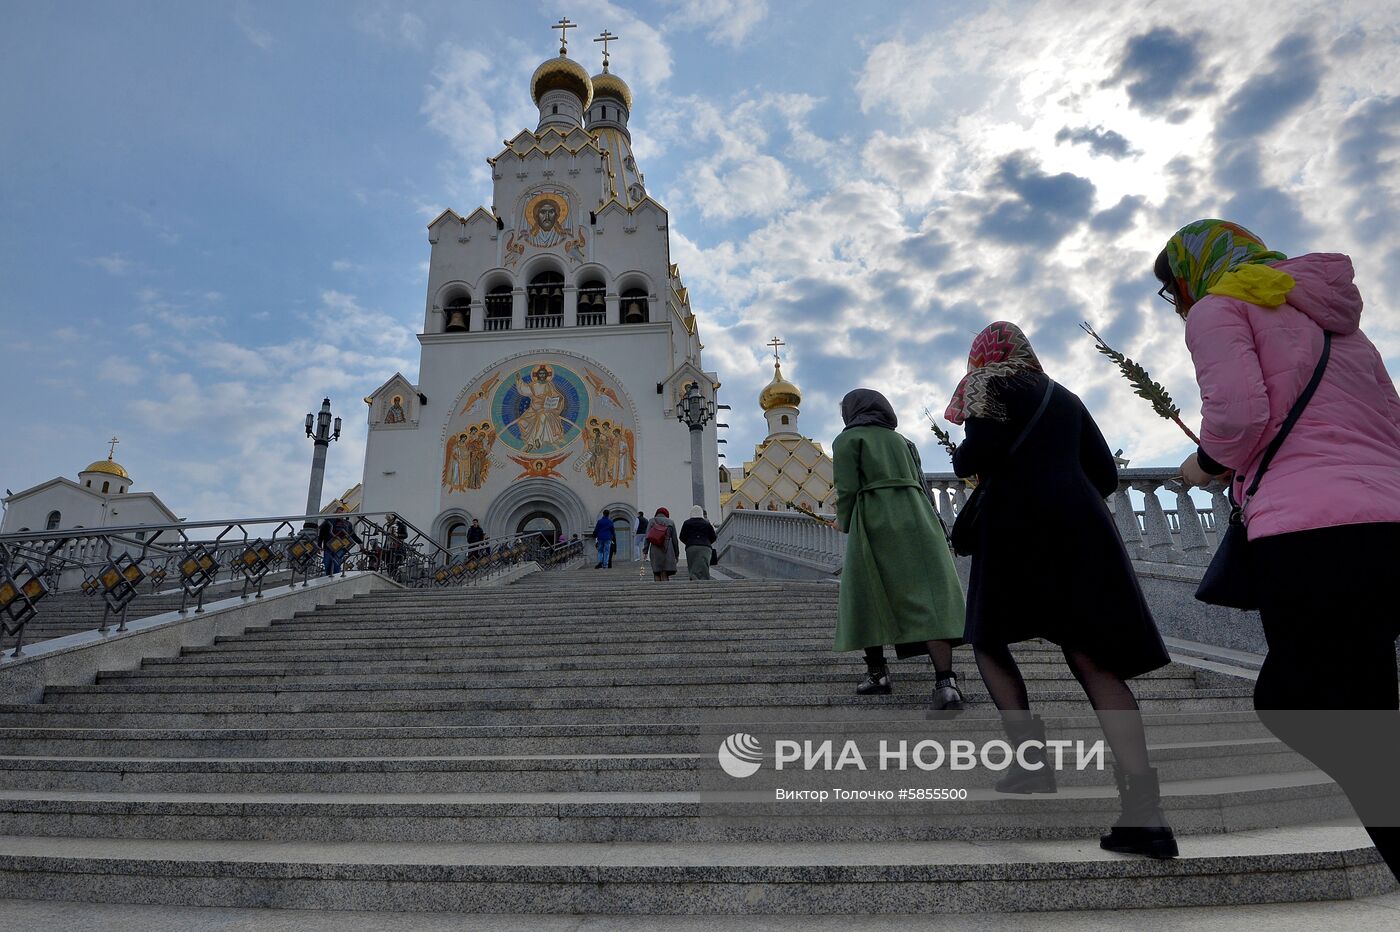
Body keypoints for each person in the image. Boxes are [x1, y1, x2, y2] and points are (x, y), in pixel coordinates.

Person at [1160, 219, 1400, 879]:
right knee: (1372, 722)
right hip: (1388, 525)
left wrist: (1203, 464)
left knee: (1292, 701)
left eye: (1171, 290)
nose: (1177, 303)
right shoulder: (1338, 322)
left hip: (1308, 535)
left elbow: (1238, 417)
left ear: (1192, 271)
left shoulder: (1219, 308)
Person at [945, 321, 1175, 859]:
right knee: (1093, 657)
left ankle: (1030, 766)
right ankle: (1145, 812)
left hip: (1014, 529)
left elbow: (975, 456)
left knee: (987, 639)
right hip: (1080, 527)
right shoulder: (1063, 395)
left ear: (983, 354)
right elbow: (1103, 472)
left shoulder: (985, 384)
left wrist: (981, 459)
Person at [834, 389, 967, 714]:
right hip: (918, 517)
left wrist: (845, 521)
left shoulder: (848, 441)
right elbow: (921, 482)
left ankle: (878, 674)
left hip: (876, 518)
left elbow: (848, 488)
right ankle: (946, 684)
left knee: (869, 593)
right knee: (928, 596)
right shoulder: (904, 441)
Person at [679, 506, 718, 580]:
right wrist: (707, 542)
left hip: (691, 547)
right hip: (705, 547)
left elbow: (682, 536)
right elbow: (714, 537)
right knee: (704, 566)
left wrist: (689, 543)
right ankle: (704, 581)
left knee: (692, 566)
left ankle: (694, 579)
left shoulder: (687, 523)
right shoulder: (706, 523)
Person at [644, 506, 679, 581]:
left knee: (656, 572)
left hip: (655, 548)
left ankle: (657, 589)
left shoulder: (652, 521)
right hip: (667, 548)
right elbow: (675, 540)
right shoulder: (671, 522)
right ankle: (666, 590)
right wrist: (676, 554)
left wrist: (645, 551)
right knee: (665, 572)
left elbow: (647, 537)